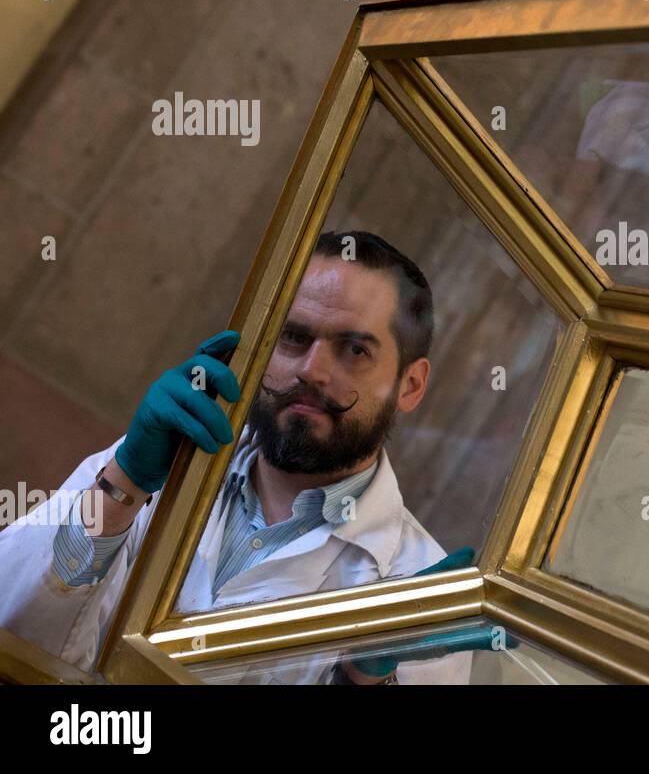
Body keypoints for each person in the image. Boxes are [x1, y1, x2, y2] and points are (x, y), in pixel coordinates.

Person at [0, 230, 498, 684]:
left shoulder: (417, 589)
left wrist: (362, 680)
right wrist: (124, 481)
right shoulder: (153, 469)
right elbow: (13, 626)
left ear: (410, 386)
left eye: (354, 351)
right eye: (294, 337)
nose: (312, 370)